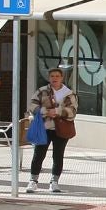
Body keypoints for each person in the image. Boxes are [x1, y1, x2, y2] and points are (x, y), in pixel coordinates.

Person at [28, 66, 76, 194]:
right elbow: (32, 105)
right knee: (38, 154)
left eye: (57, 76)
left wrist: (58, 112)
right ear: (49, 78)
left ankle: (54, 182)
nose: (54, 78)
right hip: (44, 127)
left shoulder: (69, 93)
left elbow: (73, 111)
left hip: (61, 128)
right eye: (52, 76)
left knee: (58, 155)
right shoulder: (42, 91)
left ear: (62, 78)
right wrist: (44, 111)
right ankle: (33, 181)